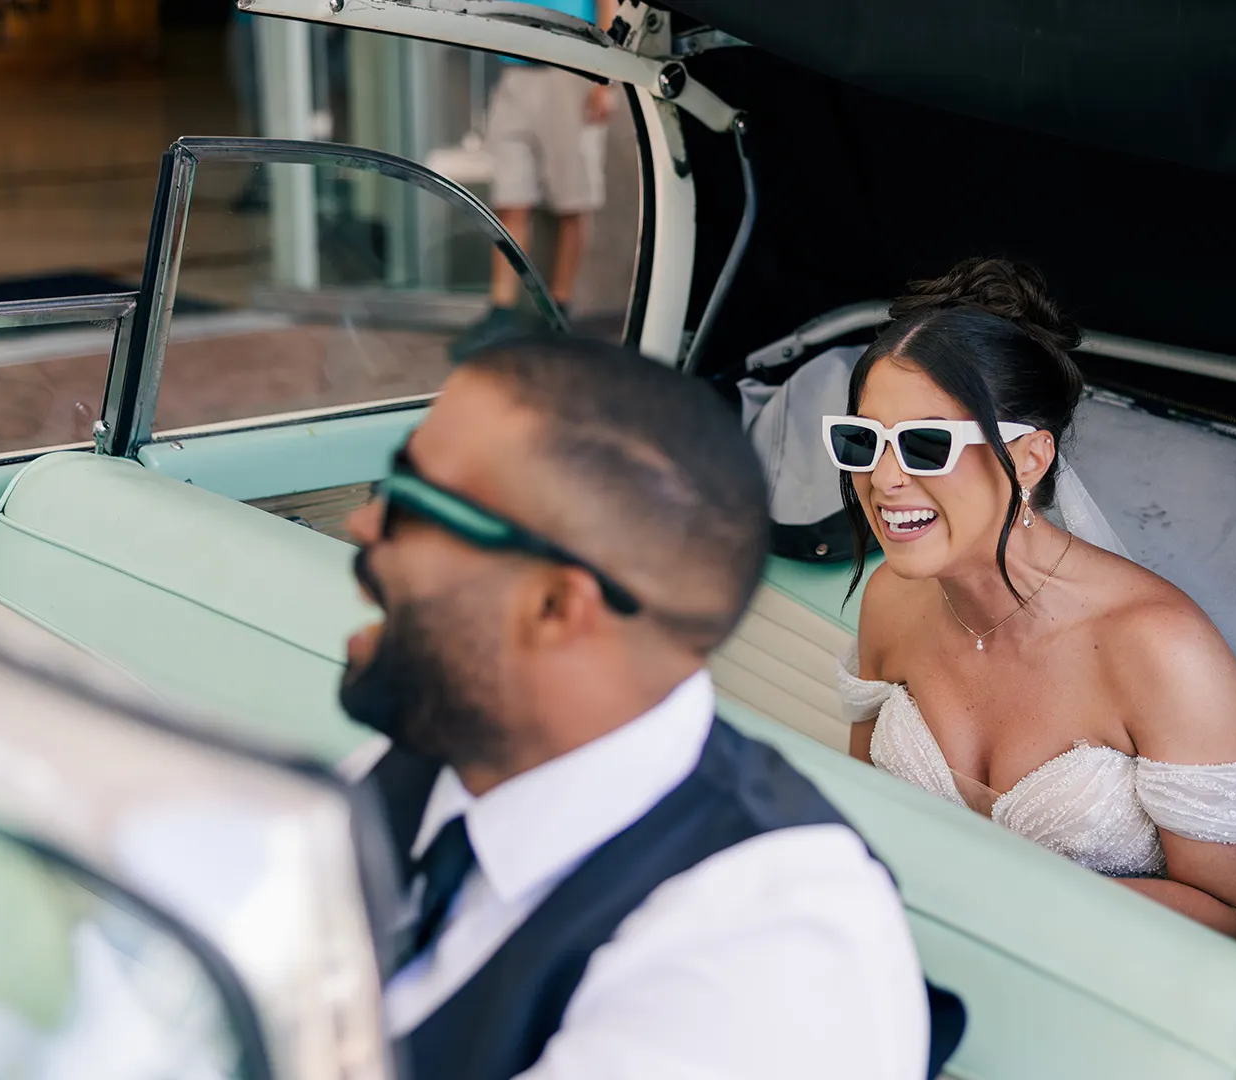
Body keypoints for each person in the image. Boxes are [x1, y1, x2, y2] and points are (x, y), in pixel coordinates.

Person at [340, 335, 959, 1079]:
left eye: (410, 503)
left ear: (555, 606)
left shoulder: (758, 950)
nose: (361, 526)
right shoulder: (416, 762)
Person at [828, 257, 1236, 947]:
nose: (885, 478)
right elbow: (868, 816)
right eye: (863, 441)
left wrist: (997, 899)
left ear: (1030, 460)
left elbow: (1234, 921)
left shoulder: (1162, 649)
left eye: (926, 445)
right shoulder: (892, 599)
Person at [454, 0, 616, 352]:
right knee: (510, 196)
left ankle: (558, 312)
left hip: (571, 65)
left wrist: (606, 76)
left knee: (573, 200)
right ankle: (503, 310)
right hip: (515, 65)